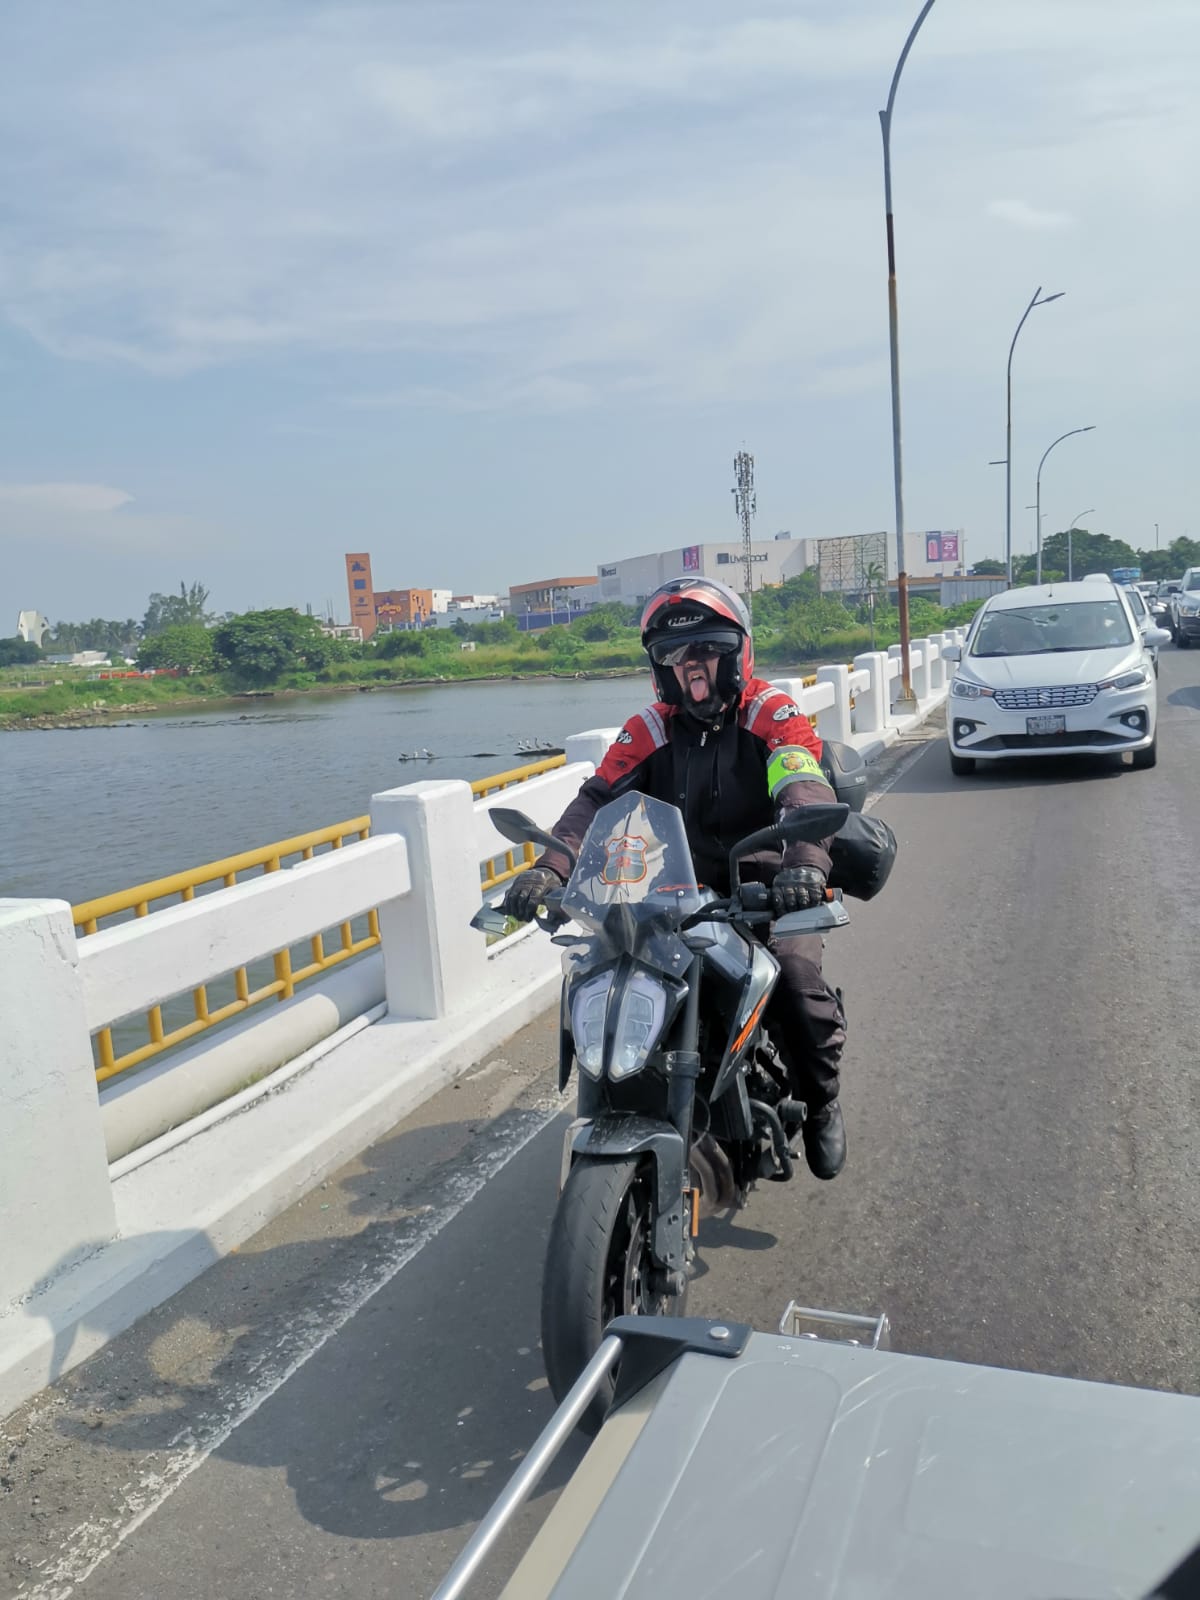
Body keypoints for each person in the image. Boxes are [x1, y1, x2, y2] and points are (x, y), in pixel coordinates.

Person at [502, 576, 848, 1180]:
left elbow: (802, 783)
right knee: (606, 967)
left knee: (794, 977)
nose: (694, 668)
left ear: (736, 652)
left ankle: (822, 1102)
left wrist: (803, 864)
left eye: (708, 650)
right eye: (677, 656)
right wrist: (551, 866)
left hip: (767, 887)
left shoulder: (771, 712)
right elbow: (595, 800)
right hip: (673, 894)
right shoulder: (650, 728)